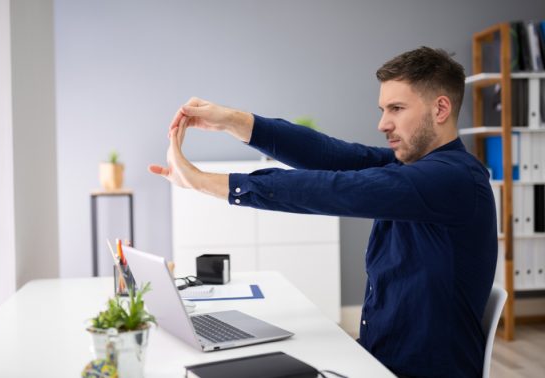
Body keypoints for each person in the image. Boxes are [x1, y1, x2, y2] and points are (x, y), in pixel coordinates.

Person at [149, 47, 496, 377]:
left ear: (440, 110)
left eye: (397, 108)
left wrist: (201, 182)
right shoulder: (412, 168)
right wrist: (231, 120)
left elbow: (337, 190)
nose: (383, 124)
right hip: (376, 360)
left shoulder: (455, 178)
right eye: (383, 110)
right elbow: (331, 155)